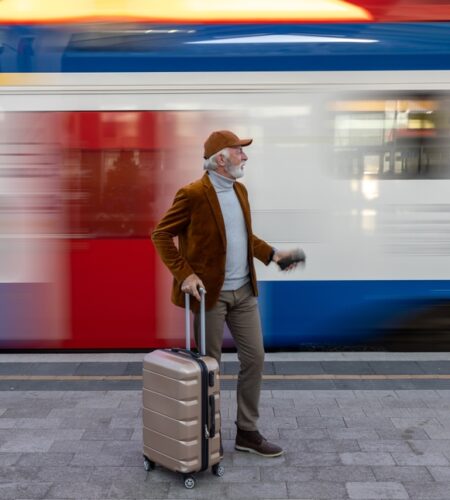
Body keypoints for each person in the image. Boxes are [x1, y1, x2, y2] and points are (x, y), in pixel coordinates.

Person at [151, 130, 303, 457]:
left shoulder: (240, 191)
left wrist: (273, 254)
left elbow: (244, 236)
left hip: (244, 293)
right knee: (210, 367)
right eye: (239, 151)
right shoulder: (192, 194)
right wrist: (185, 274)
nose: (244, 157)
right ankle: (207, 434)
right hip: (211, 295)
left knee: (255, 358)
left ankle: (247, 432)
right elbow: (161, 235)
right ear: (221, 158)